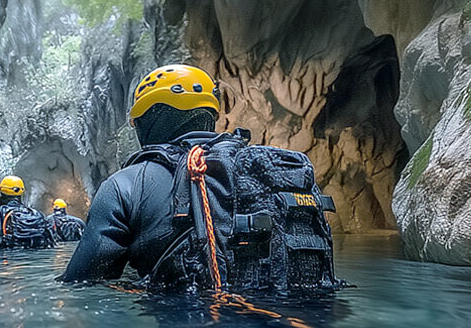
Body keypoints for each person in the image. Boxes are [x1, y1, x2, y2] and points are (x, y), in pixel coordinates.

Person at [60, 64, 337, 292]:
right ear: (209, 114)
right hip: (305, 326)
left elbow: (82, 283)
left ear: (148, 119)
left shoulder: (126, 184)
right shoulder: (269, 170)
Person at [0, 176, 55, 250]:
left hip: (4, 261)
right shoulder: (38, 215)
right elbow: (51, 244)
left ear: (1, 194)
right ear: (22, 193)